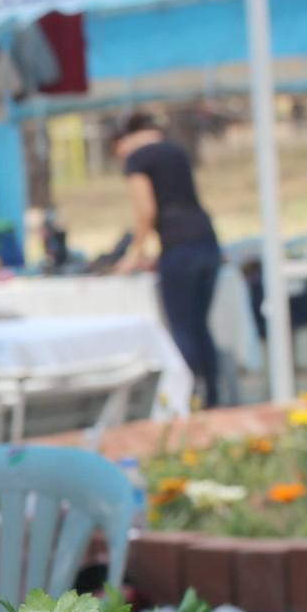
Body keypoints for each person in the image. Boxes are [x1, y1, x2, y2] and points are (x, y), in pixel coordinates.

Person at [115, 109, 225, 408]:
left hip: (178, 246)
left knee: (182, 328)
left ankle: (187, 399)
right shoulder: (176, 151)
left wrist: (135, 253)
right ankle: (213, 396)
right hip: (207, 239)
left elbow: (146, 210)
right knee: (201, 325)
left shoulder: (137, 159)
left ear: (123, 140)